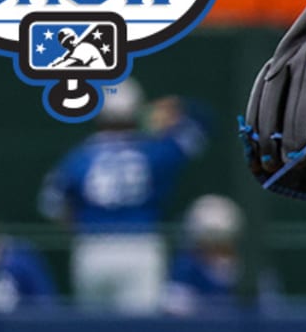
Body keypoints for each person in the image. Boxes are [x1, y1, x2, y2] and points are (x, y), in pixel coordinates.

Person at [37, 79, 207, 313]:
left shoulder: (79, 156)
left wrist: (80, 229)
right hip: (140, 245)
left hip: (93, 247)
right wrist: (178, 106)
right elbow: (201, 128)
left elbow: (52, 204)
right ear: (136, 111)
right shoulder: (153, 150)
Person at [163, 194, 252, 315]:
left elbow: (271, 309)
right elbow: (175, 312)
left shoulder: (250, 267)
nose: (215, 248)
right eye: (209, 243)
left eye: (222, 243)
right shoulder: (185, 267)